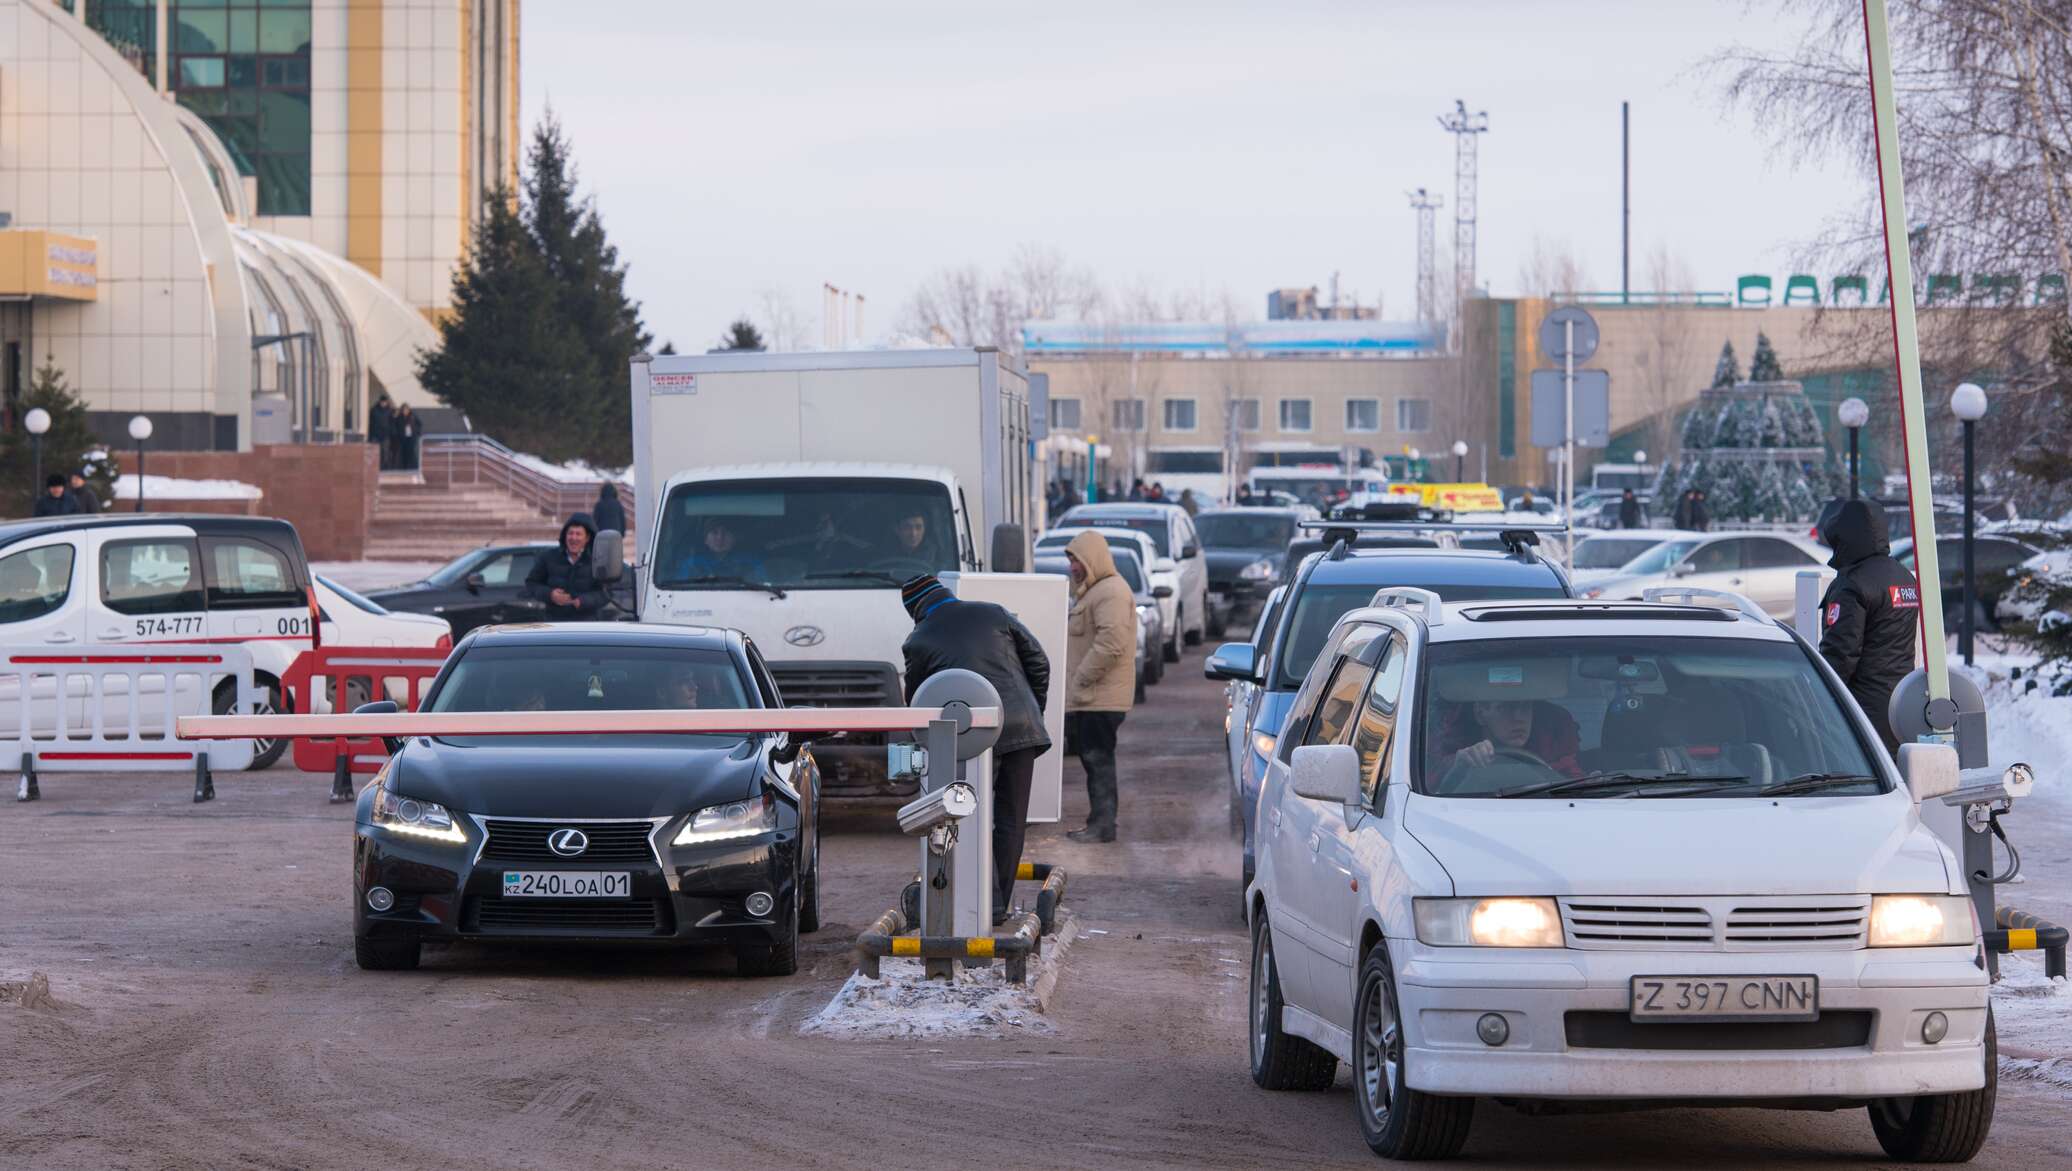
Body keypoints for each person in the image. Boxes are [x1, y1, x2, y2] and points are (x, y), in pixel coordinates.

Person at [899, 573, 1052, 922]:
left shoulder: (918, 639)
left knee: (968, 818)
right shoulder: (994, 613)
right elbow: (1039, 662)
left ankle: (978, 903)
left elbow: (919, 701)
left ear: (915, 610)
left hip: (968, 740)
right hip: (1021, 729)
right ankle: (998, 909)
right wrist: (1031, 710)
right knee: (1011, 820)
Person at [1815, 498, 1919, 753]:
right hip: (1901, 703)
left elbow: (1840, 654)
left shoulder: (1853, 583)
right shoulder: (1903, 576)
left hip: (1862, 707)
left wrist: (1820, 698)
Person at [1062, 530, 1136, 843]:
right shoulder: (1095, 592)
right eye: (1070, 560)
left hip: (1100, 698)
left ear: (1091, 559)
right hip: (1091, 697)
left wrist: (1080, 678)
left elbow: (1111, 643)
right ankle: (1099, 822)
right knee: (1094, 760)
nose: (1072, 567)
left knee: (1098, 760)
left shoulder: (1111, 592)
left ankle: (1103, 826)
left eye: (1076, 560)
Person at [1432, 698, 1582, 782]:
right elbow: (1431, 780)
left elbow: (1571, 779)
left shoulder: (1552, 746)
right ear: (1480, 713)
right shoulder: (1451, 743)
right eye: (1505, 708)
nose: (1519, 718)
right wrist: (1457, 765)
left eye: (1525, 707)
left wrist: (1586, 784)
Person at [522, 514, 608, 620]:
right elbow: (531, 584)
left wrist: (584, 601)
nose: (573, 538)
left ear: (587, 538)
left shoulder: (597, 560)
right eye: (570, 533)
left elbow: (607, 593)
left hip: (587, 625)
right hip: (556, 624)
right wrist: (551, 595)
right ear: (565, 535)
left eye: (578, 534)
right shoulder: (549, 557)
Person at [675, 518, 766, 581]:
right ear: (705, 539)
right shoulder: (692, 563)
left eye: (725, 532)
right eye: (714, 532)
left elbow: (761, 585)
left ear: (734, 538)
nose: (720, 538)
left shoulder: (751, 562)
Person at [394, 404, 422, 471]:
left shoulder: (413, 416)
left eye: (406, 409)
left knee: (412, 452)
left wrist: (416, 431)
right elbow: (395, 425)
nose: (405, 411)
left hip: (411, 437)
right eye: (404, 410)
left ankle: (413, 467)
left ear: (409, 410)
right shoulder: (399, 417)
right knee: (404, 452)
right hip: (403, 438)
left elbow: (420, 423)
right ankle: (404, 467)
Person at [368, 394, 393, 469]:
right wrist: (371, 434)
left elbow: (391, 422)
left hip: (385, 435)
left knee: (385, 452)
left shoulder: (390, 410)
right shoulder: (374, 410)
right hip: (376, 434)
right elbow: (371, 423)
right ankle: (375, 466)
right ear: (380, 402)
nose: (383, 403)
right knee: (375, 452)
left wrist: (390, 432)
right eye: (382, 402)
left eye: (385, 402)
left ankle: (384, 467)